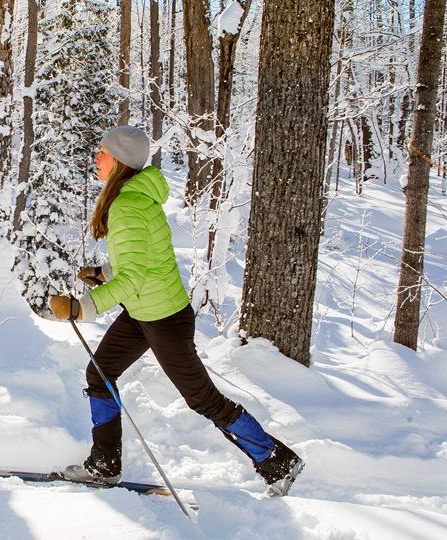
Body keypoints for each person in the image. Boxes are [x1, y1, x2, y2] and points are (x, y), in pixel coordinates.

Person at [48, 125, 304, 497]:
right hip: (143, 312)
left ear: (118, 160)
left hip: (164, 319)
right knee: (99, 373)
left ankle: (278, 461)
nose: (95, 158)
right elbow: (146, 260)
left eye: (101, 152)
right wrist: (103, 273)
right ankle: (104, 466)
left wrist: (80, 308)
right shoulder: (134, 197)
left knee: (203, 399)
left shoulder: (128, 206)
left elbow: (134, 276)